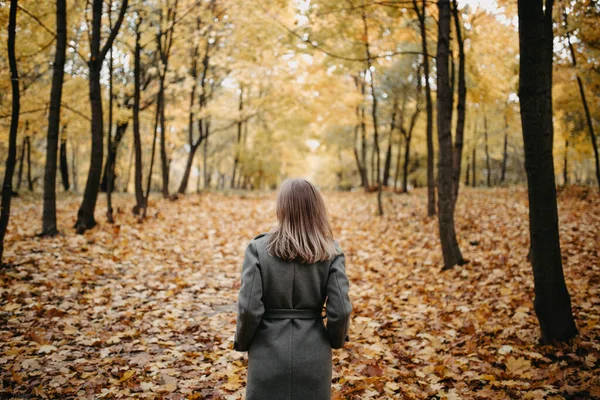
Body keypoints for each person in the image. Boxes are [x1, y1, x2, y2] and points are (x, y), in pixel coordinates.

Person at [233, 178, 352, 400]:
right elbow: (342, 309)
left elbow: (248, 308)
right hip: (314, 355)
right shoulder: (331, 251)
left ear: (282, 208)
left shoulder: (258, 249)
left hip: (267, 353)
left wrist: (244, 342)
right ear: (317, 209)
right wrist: (335, 341)